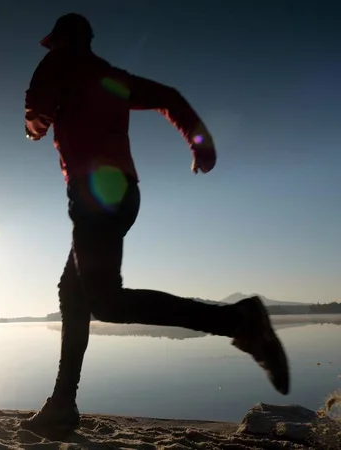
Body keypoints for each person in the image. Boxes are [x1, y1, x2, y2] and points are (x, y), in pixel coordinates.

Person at [20, 13, 290, 434]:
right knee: (73, 292)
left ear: (59, 42)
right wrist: (201, 146)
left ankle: (239, 320)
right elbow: (169, 96)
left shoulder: (59, 63)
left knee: (104, 301)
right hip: (124, 193)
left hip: (94, 194)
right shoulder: (111, 77)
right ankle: (62, 403)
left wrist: (35, 125)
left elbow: (36, 110)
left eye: (54, 44)